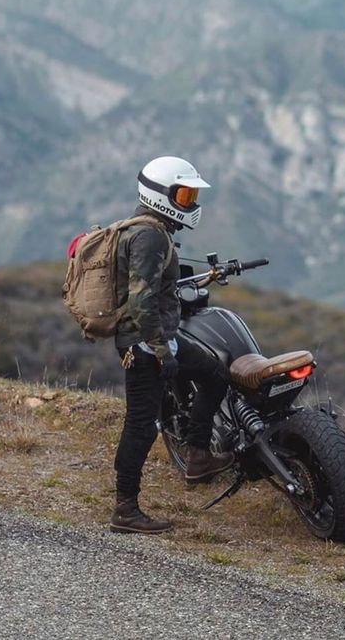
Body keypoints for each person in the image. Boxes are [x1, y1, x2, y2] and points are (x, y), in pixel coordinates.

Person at [110, 155, 233, 535]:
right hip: (144, 344)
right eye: (183, 195)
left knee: (215, 373)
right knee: (141, 426)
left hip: (160, 337)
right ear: (160, 194)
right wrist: (162, 352)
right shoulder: (148, 236)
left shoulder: (153, 231)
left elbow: (157, 289)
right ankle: (125, 510)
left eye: (191, 195)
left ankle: (198, 455)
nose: (190, 202)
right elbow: (141, 301)